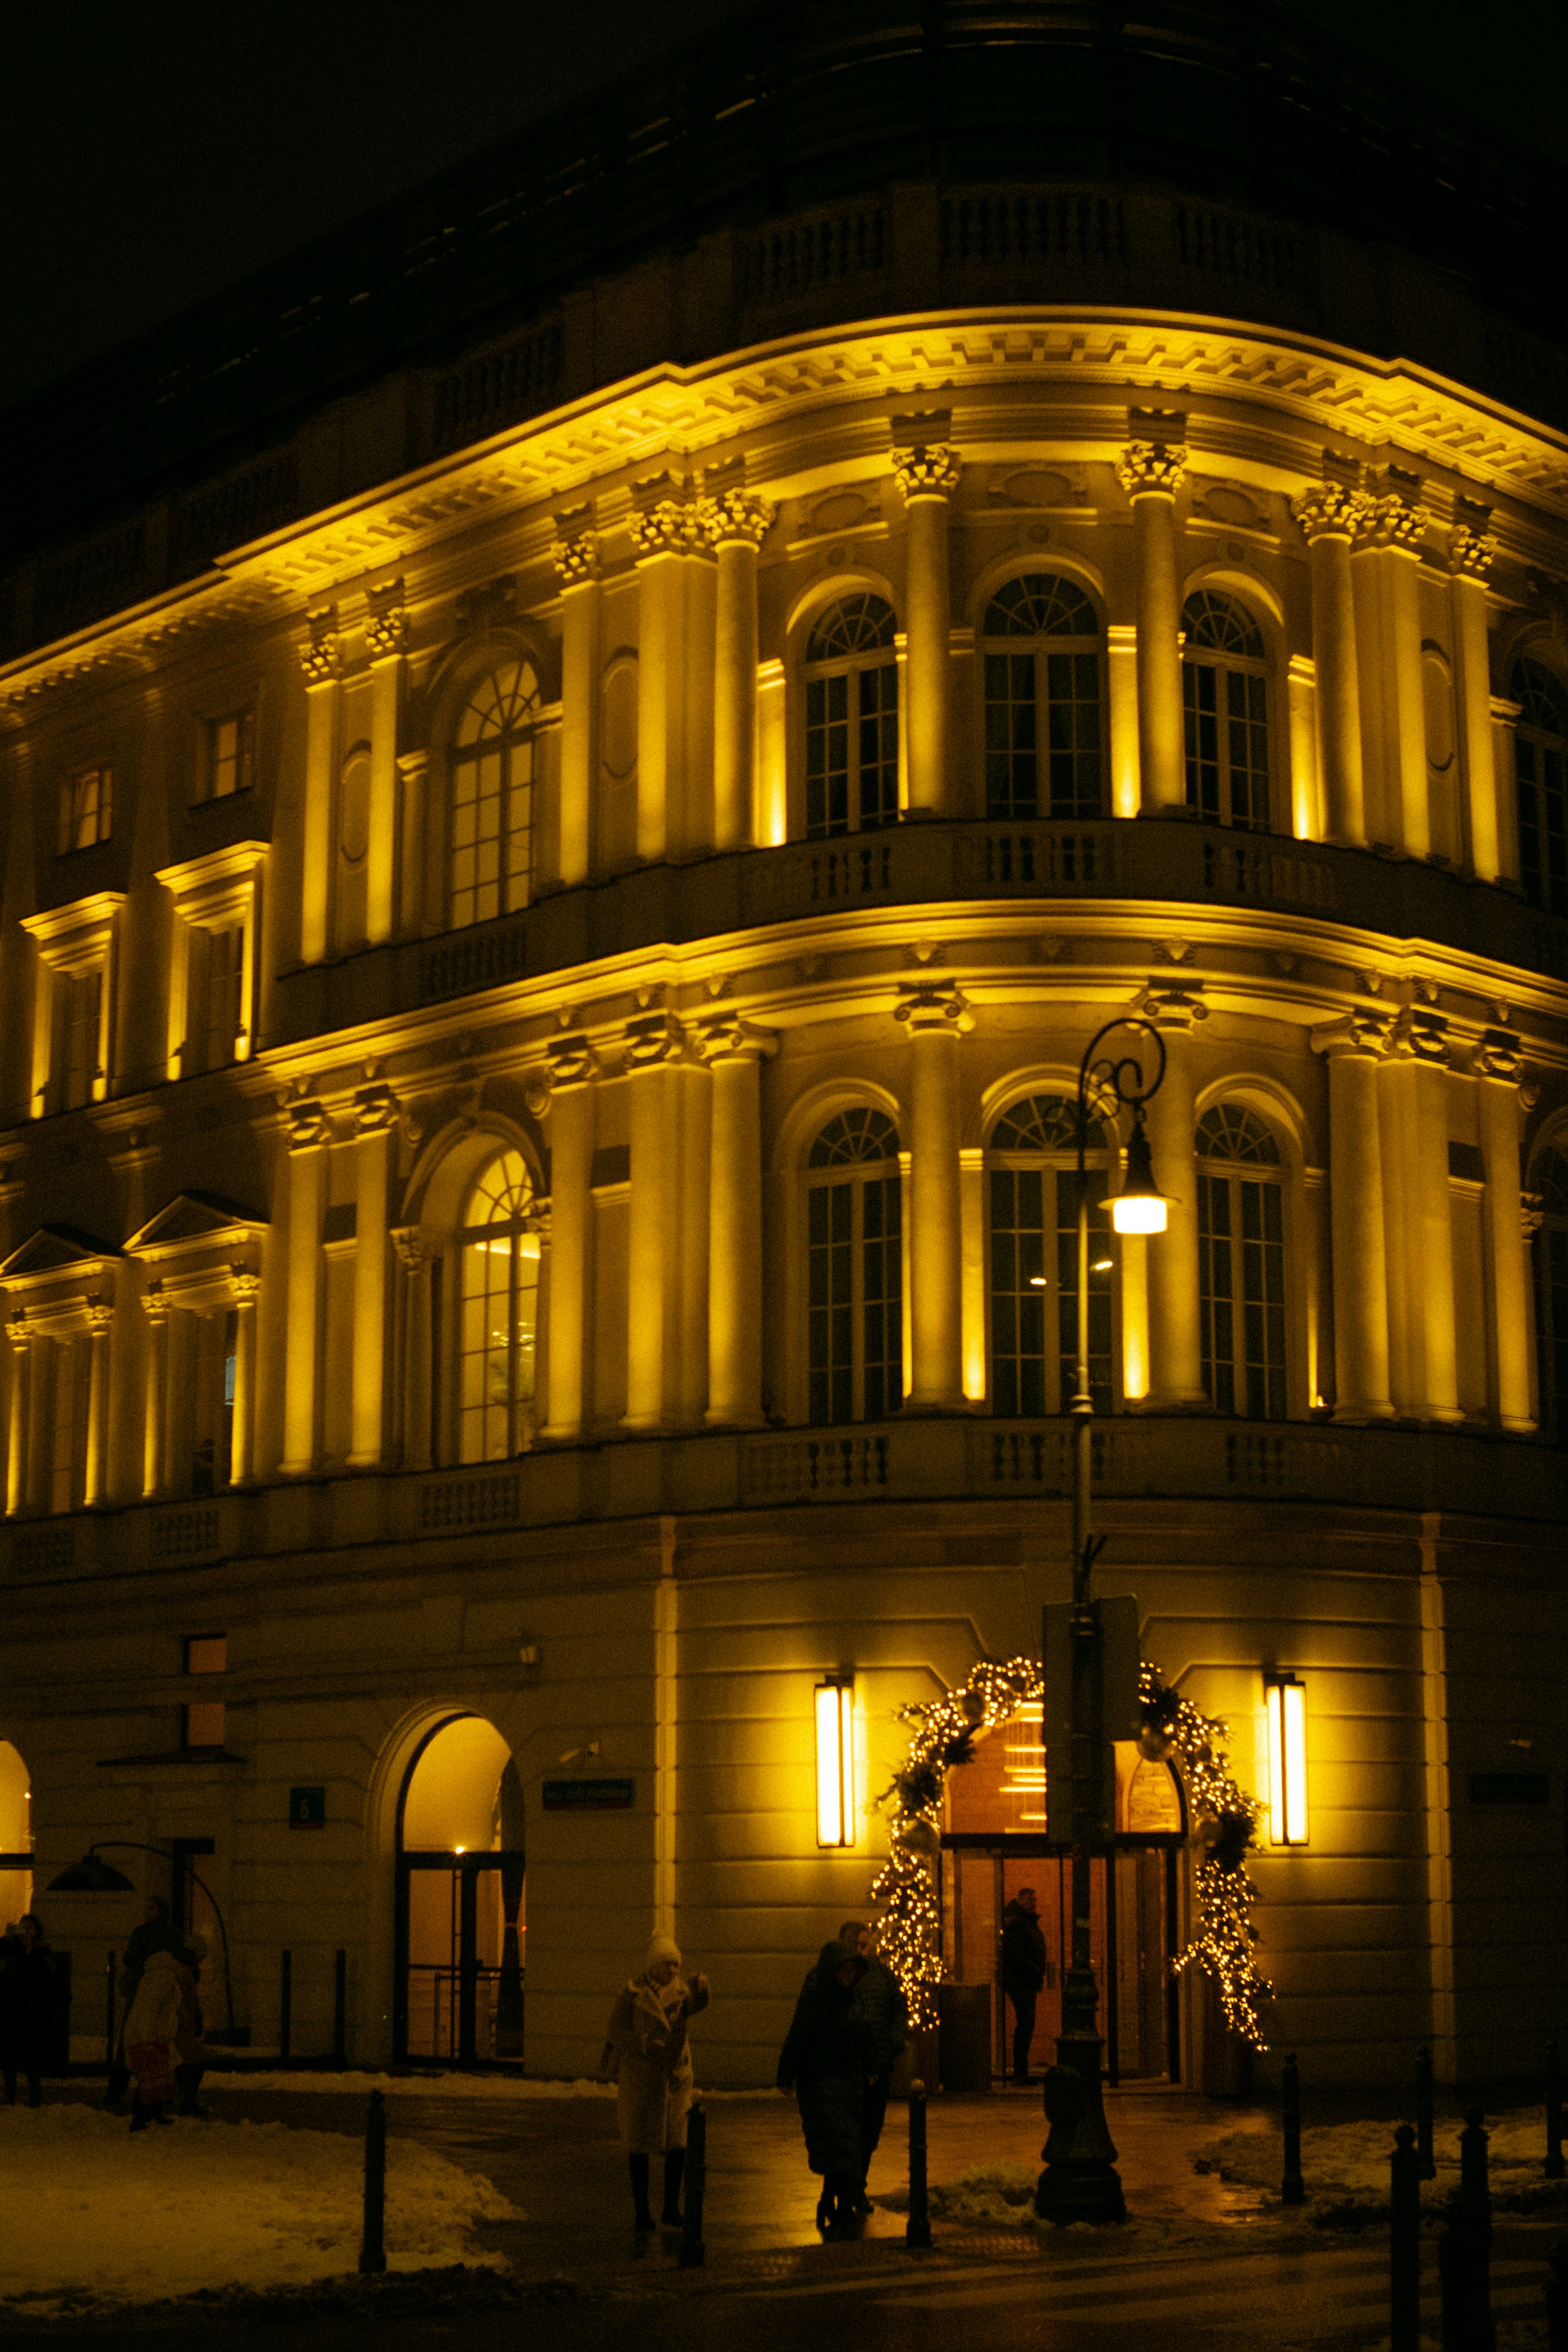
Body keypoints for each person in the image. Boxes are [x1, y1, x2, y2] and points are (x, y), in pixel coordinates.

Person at [601, 1934, 710, 2232]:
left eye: (676, 1965)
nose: (673, 1971)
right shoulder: (633, 1993)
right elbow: (616, 2030)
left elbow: (696, 2005)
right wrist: (646, 2044)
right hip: (643, 2078)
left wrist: (702, 1989)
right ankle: (642, 2212)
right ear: (653, 1966)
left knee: (678, 2144)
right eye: (667, 1965)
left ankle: (670, 2209)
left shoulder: (681, 1992)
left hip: (675, 2077)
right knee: (640, 2145)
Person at [777, 1938, 875, 2231]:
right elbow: (800, 2033)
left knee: (844, 2147)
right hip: (821, 2080)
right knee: (840, 2143)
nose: (848, 1976)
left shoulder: (854, 1998)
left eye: (853, 1971)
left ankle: (829, 2199)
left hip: (850, 2082)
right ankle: (842, 2205)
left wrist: (871, 2065)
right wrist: (786, 2074)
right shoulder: (817, 1997)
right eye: (844, 1970)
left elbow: (864, 2033)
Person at [837, 1918, 908, 2213]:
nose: (861, 1951)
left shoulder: (883, 1976)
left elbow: (898, 2013)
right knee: (848, 2133)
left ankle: (858, 2186)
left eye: (865, 1945)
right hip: (850, 2068)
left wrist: (890, 2048)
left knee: (870, 2131)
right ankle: (847, 2191)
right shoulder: (838, 1977)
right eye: (856, 1946)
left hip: (878, 2068)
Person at [106, 1898, 178, 2111]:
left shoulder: (164, 1934)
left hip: (151, 1989)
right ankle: (130, 2090)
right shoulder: (145, 1933)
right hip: (142, 1989)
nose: (148, 1912)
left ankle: (148, 2092)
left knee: (146, 2039)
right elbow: (129, 1958)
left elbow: (134, 1958)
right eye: (147, 1908)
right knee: (136, 2038)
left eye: (152, 1908)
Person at [123, 1946, 185, 2131]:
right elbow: (151, 2009)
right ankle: (139, 2118)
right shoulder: (163, 1978)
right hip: (150, 2035)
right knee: (149, 2076)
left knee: (157, 2074)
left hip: (150, 2033)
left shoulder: (153, 1976)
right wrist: (148, 2039)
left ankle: (152, 2114)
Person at [0, 1913, 59, 2107]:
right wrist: (6, 1939)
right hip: (11, 2008)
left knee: (32, 2054)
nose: (25, 1932)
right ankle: (9, 2094)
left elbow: (46, 1977)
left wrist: (30, 1950)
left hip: (33, 2012)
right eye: (22, 1927)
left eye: (29, 1928)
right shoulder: (10, 1948)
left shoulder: (41, 1951)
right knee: (9, 2052)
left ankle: (35, 2097)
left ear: (37, 1932)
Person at [1000, 1886, 1048, 2085]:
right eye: (1029, 1900)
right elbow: (1015, 1954)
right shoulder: (1019, 1923)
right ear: (1019, 1900)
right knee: (1026, 2025)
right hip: (1021, 1981)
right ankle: (1020, 2072)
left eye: (1034, 1901)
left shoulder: (1023, 1922)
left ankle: (1021, 2071)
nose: (1033, 1904)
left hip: (1024, 1981)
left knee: (1026, 2025)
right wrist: (1035, 1969)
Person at [173, 1936, 211, 2117]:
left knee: (181, 2061)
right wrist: (191, 2022)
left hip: (179, 2024)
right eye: (201, 1958)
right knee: (197, 2060)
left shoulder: (184, 1971)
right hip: (179, 2026)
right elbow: (184, 2003)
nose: (202, 1962)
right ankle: (187, 2102)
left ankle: (180, 2097)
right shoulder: (185, 1973)